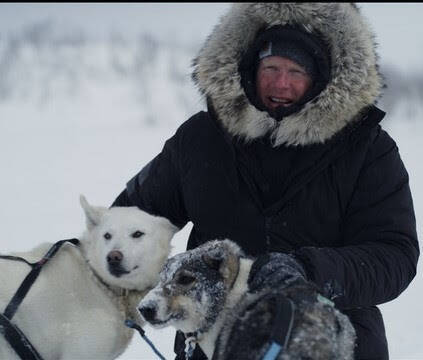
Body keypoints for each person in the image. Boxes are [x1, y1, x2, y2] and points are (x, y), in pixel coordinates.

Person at [113, 3, 419, 359]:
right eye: (271, 67)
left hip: (333, 342)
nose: (281, 83)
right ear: (249, 68)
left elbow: (393, 257)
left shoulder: (368, 149)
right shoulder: (200, 138)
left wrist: (307, 270)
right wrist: (83, 262)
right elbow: (129, 222)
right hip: (214, 344)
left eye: (296, 70)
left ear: (323, 77)